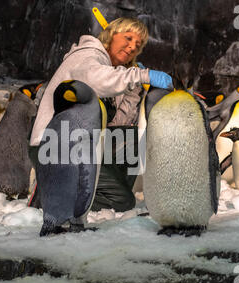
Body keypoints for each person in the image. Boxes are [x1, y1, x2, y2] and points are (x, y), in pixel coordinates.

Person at [29, 17, 172, 211]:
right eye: (128, 38)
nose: (132, 47)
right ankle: (49, 195)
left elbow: (116, 122)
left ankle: (89, 191)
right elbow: (96, 79)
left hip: (78, 146)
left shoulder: (109, 68)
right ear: (110, 35)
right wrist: (142, 75)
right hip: (55, 147)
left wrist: (134, 88)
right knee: (122, 201)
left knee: (131, 139)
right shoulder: (88, 55)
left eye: (138, 45)